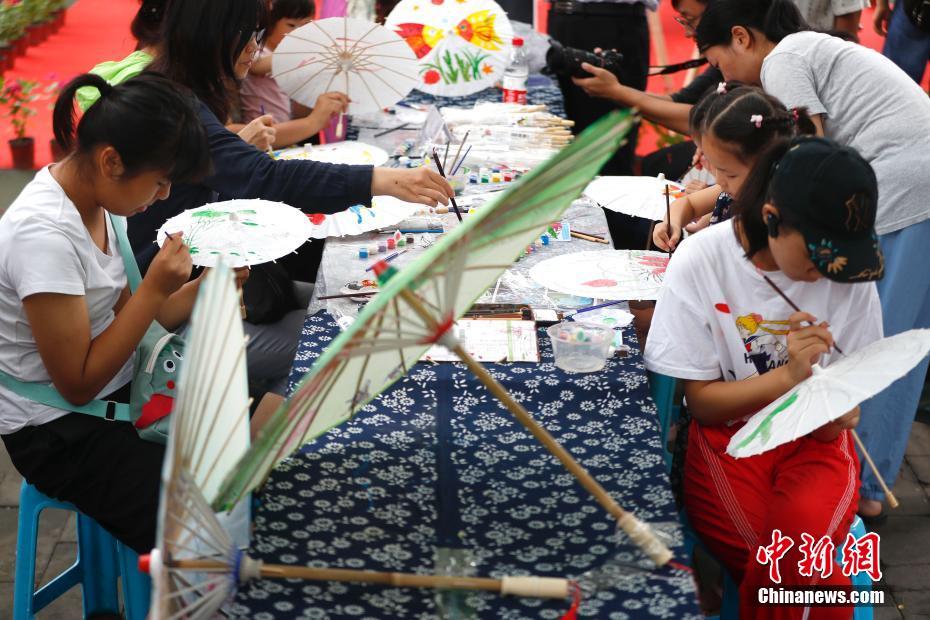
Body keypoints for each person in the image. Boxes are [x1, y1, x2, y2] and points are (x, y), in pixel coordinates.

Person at [131, 0, 452, 396]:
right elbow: (265, 178)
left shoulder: (181, 92)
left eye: (259, 36)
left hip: (208, 283)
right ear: (210, 36)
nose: (255, 48)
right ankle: (263, 451)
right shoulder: (173, 105)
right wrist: (380, 181)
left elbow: (241, 173)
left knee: (353, 301)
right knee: (346, 344)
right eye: (247, 36)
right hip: (170, 308)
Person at [694, 0, 930, 523]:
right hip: (910, 181)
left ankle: (863, 484)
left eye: (716, 62)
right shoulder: (809, 51)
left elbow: (805, 161)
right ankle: (868, 479)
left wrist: (714, 203)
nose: (723, 78)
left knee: (881, 343)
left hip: (909, 185)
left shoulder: (785, 58)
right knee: (896, 339)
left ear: (740, 37)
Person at [645, 136, 884, 618]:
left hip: (814, 447)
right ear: (771, 217)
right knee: (791, 572)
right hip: (731, 442)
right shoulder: (703, 261)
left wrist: (842, 412)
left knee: (796, 566)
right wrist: (789, 376)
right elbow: (704, 405)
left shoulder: (848, 279)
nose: (828, 271)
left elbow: (844, 405)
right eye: (820, 254)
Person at [0, 73, 212, 554]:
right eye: (159, 183)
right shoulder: (43, 236)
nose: (161, 197)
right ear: (111, 160)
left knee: (255, 430)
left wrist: (204, 287)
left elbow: (133, 324)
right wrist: (156, 286)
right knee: (204, 527)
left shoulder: (97, 200)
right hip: (57, 431)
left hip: (117, 390)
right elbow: (77, 383)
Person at [76, 0, 278, 153]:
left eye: (256, 33)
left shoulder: (180, 76)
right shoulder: (158, 91)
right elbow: (158, 183)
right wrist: (238, 148)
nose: (253, 47)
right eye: (243, 32)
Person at [654, 83, 815, 252]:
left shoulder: (776, 216)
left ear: (767, 164)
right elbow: (688, 204)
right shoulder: (731, 191)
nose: (719, 181)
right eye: (715, 168)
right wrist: (671, 223)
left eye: (729, 174)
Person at [236, 0, 350, 148]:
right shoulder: (259, 51)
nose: (298, 32)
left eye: (305, 26)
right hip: (257, 134)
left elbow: (297, 106)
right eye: (291, 25)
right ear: (272, 23)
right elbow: (257, 66)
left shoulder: (290, 60)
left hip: (284, 131)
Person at [874, 0, 930, 84]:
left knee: (895, 84)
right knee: (895, 83)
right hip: (915, 13)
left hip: (915, 12)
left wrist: (882, 4)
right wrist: (882, 4)